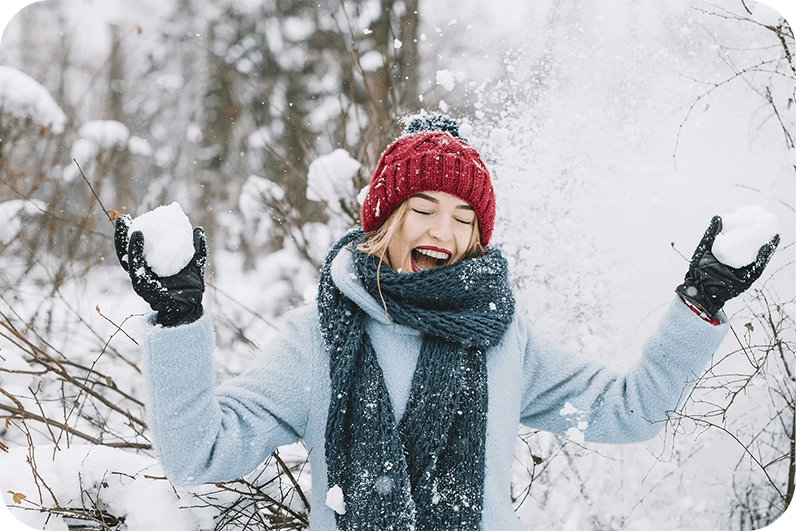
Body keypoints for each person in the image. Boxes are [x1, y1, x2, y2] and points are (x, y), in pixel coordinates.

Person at [114, 113, 779, 531]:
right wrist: (178, 319)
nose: (445, 231)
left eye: (465, 218)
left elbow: (628, 410)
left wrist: (699, 302)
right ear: (386, 218)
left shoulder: (500, 335)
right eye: (425, 208)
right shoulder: (317, 339)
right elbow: (198, 453)